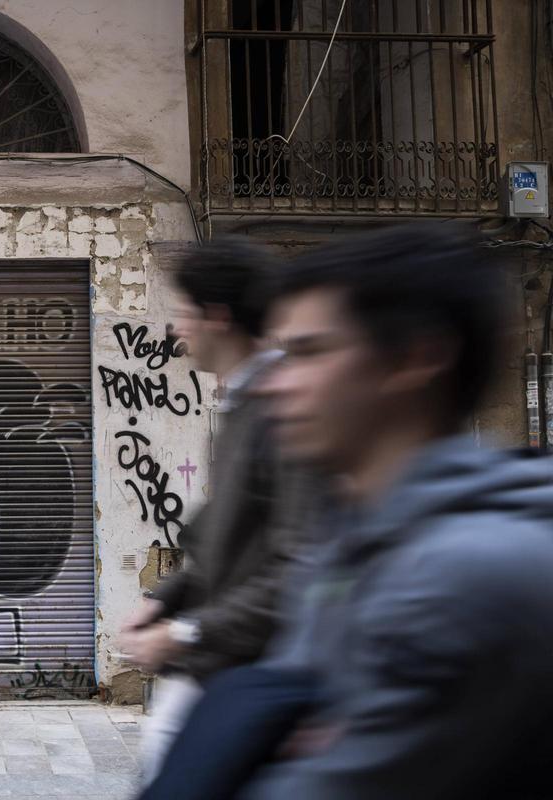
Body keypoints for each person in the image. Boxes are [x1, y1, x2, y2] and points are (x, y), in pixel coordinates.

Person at [152, 222, 553, 800]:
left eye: (308, 352)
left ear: (415, 357)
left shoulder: (458, 578)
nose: (274, 384)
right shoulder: (351, 537)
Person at [120, 238, 315, 788]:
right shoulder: (241, 406)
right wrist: (162, 599)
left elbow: (298, 568)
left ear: (218, 317)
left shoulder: (284, 413)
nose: (174, 328)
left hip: (252, 677)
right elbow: (222, 547)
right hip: (219, 668)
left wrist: (185, 634)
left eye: (182, 312)